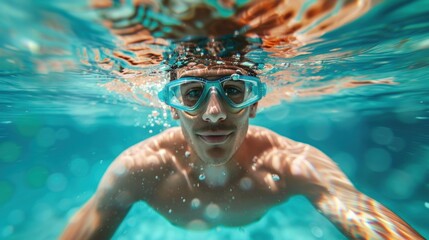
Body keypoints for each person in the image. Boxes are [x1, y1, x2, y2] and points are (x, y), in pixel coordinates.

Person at [61, 64, 424, 240]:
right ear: (174, 108)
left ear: (254, 104)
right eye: (192, 94)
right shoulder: (139, 167)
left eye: (234, 91)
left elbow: (364, 217)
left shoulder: (289, 163)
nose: (214, 112)